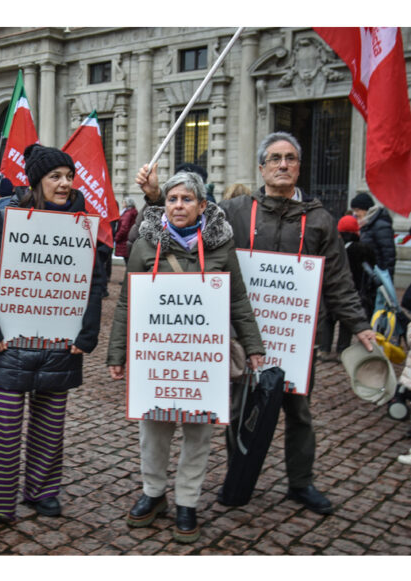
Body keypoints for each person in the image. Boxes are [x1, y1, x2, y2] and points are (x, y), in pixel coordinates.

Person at [217, 131, 375, 515]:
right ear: (262, 167)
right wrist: (156, 198)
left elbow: (338, 280)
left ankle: (301, 482)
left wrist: (358, 323)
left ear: (299, 167)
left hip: (296, 336)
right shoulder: (234, 211)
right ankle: (239, 476)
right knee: (239, 409)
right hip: (245, 333)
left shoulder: (320, 219)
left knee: (299, 412)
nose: (283, 164)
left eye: (290, 158)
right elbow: (189, 233)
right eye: (275, 158)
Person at [0, 144, 106, 534]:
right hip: (13, 338)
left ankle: (42, 489)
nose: (65, 183)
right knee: (3, 424)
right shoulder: (10, 218)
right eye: (55, 176)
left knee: (51, 420)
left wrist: (86, 334)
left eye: (69, 176)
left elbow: (94, 281)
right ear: (38, 181)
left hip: (62, 340)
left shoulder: (84, 223)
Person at [107, 171, 264, 543]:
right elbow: (128, 301)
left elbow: (239, 299)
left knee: (198, 429)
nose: (179, 206)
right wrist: (117, 352)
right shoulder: (146, 246)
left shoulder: (222, 247)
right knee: (154, 427)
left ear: (202, 206)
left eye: (187, 199)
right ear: (165, 204)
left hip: (204, 356)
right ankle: (153, 492)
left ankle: (188, 500)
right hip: (157, 356)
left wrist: (254, 346)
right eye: (173, 199)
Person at [317, 215, 376, 361]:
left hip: (330, 289)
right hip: (354, 291)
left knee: (328, 321)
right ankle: (342, 351)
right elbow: (373, 265)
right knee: (346, 323)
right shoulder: (364, 249)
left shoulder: (332, 247)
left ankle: (324, 349)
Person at [350, 192, 396, 279]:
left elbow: (388, 255)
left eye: (357, 210)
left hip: (378, 275)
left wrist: (386, 278)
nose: (354, 214)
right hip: (369, 275)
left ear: (365, 209)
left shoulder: (380, 225)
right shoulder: (365, 224)